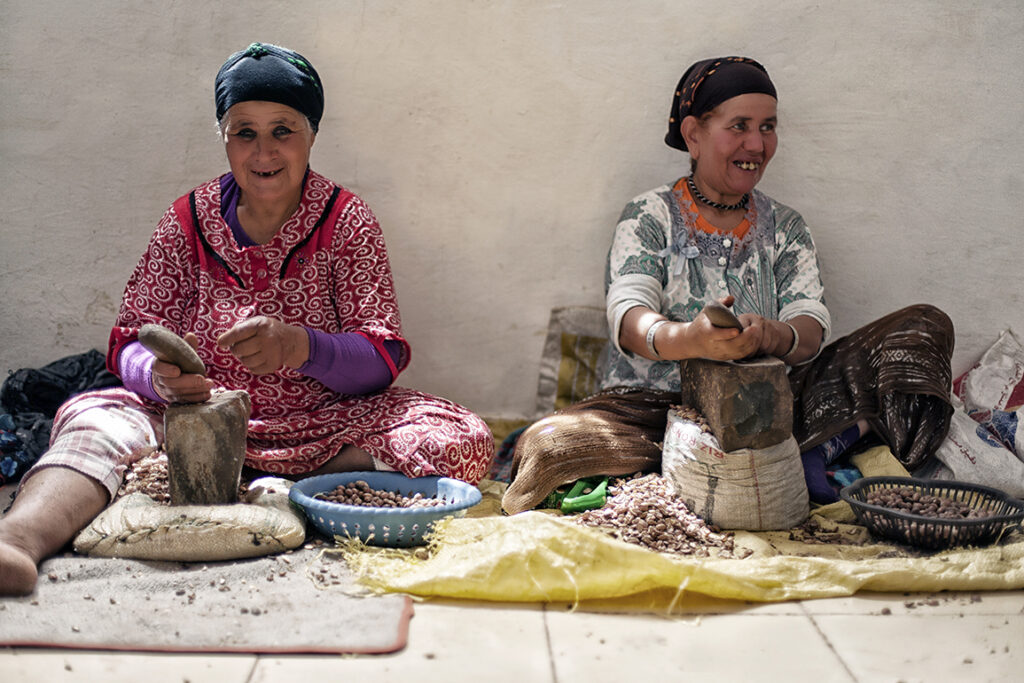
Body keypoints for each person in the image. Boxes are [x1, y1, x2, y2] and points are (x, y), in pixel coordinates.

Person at [0, 43, 494, 596]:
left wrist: (302, 347)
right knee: (94, 417)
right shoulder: (189, 219)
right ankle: (18, 541)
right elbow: (126, 339)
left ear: (311, 136)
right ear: (225, 138)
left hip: (319, 425)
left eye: (283, 129)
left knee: (460, 435)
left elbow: (381, 360)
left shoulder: (345, 221)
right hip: (189, 424)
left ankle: (267, 482)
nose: (264, 151)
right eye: (245, 132)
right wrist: (157, 378)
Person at [502, 56, 954, 515]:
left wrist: (769, 335)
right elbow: (629, 315)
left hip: (771, 404)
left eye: (768, 127)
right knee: (550, 445)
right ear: (694, 134)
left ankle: (802, 451)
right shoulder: (649, 216)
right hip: (655, 413)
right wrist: (690, 340)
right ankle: (789, 457)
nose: (756, 144)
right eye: (739, 126)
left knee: (921, 329)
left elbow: (810, 326)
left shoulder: (786, 227)